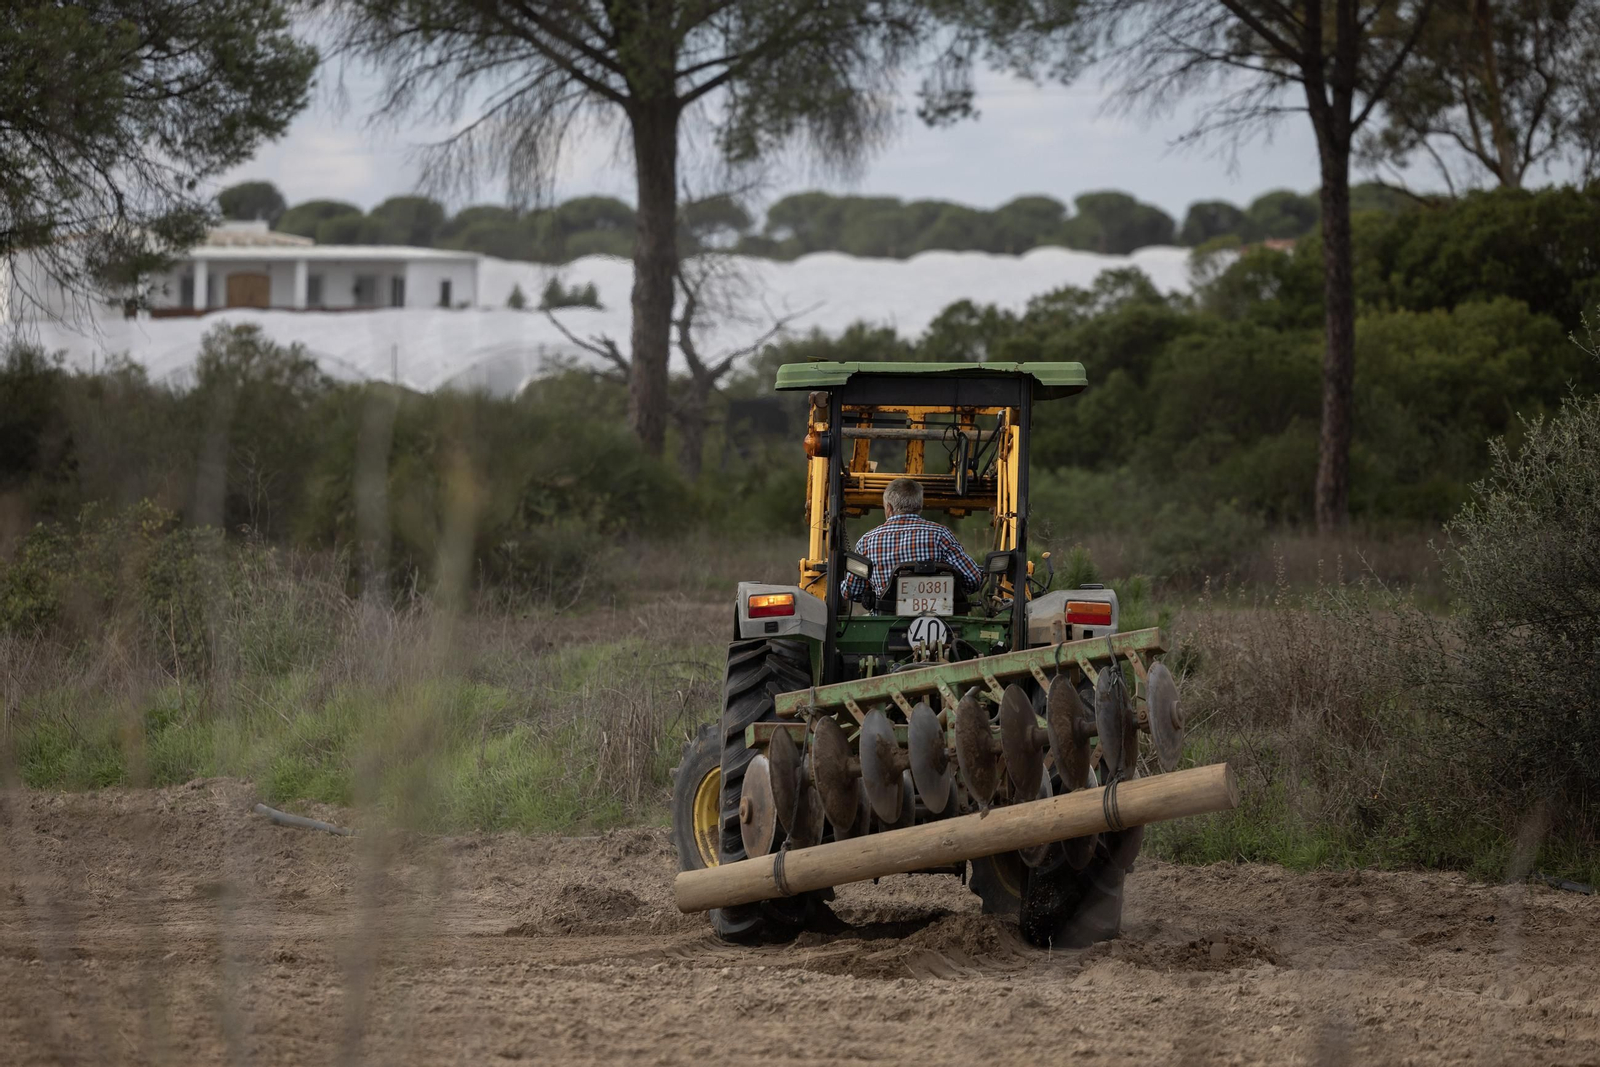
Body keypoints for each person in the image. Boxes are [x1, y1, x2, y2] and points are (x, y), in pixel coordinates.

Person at [840, 477, 983, 606]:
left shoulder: (867, 541)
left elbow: (851, 591)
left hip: (886, 619)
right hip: (938, 619)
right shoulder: (940, 535)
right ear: (920, 506)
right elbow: (973, 578)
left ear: (889, 508)